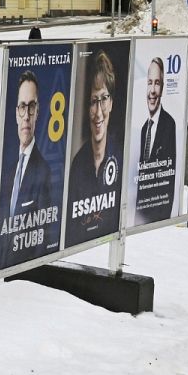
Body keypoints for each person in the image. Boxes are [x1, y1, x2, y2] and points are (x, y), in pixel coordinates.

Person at [0, 71, 55, 265]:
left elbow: (43, 236)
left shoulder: (43, 171)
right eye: (23, 107)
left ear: (38, 112)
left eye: (32, 107)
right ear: (16, 113)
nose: (27, 116)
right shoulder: (6, 173)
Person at [67, 51, 123, 239]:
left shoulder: (121, 155)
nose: (99, 113)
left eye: (104, 99)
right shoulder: (77, 165)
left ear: (112, 103)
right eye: (93, 101)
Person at [133, 57, 178, 224]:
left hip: (158, 217)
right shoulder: (145, 128)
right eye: (149, 83)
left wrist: (162, 220)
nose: (152, 90)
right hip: (141, 217)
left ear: (163, 87)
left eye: (157, 83)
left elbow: (170, 177)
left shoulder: (169, 124)